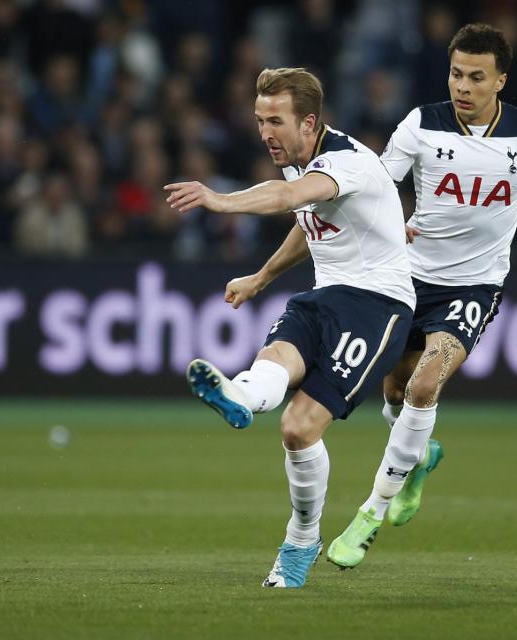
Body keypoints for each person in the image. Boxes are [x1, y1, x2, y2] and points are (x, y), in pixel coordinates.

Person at [326, 23, 517, 569]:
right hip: (407, 278)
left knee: (426, 383)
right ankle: (417, 460)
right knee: (396, 386)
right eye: (456, 73)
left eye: (477, 77)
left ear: (500, 80)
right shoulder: (421, 124)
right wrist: (388, 221)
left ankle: (369, 512)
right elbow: (381, 183)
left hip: (474, 286)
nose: (463, 86)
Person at [164, 67, 415, 588]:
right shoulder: (302, 166)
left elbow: (286, 200)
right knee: (274, 362)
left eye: (274, 121)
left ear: (309, 122)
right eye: (259, 121)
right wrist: (260, 277)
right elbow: (307, 223)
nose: (264, 133)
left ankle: (301, 538)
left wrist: (220, 199)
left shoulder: (347, 162)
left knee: (298, 428)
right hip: (324, 298)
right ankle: (240, 394)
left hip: (377, 306)